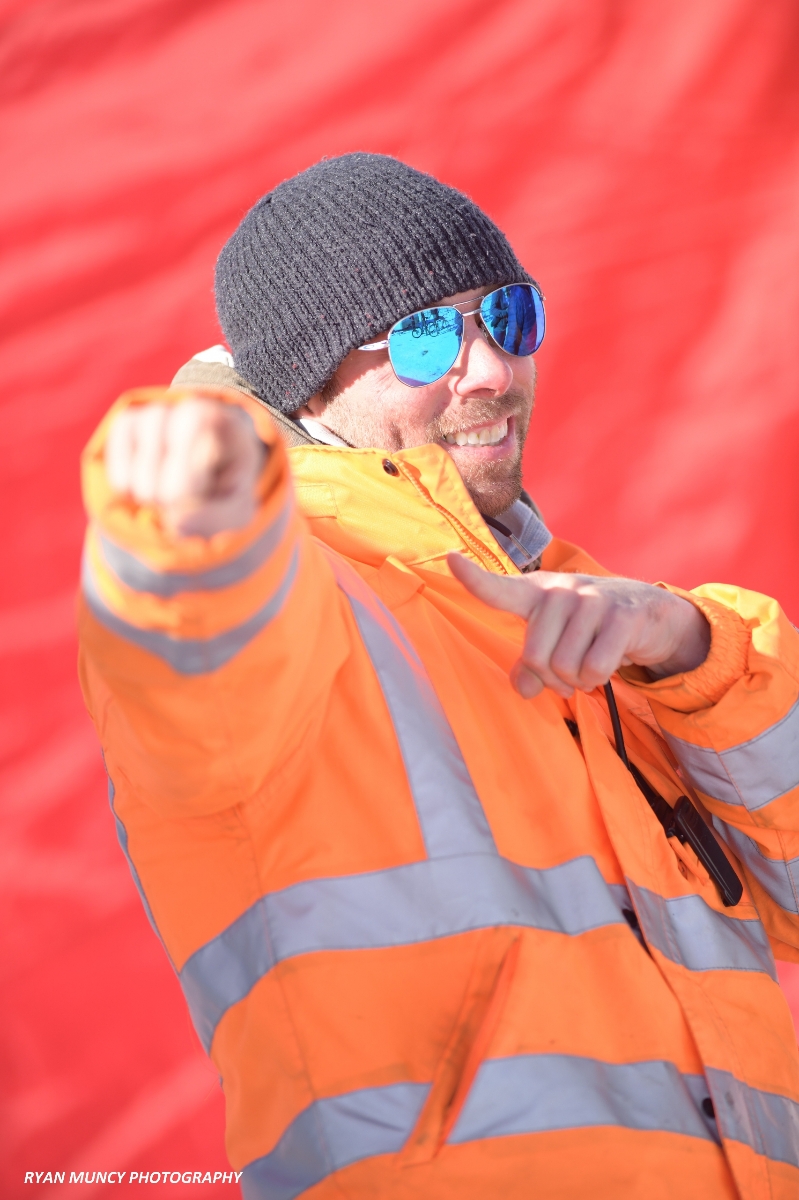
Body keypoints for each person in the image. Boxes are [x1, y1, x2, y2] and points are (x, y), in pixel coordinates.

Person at [78, 153, 799, 1199]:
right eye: (423, 336)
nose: (492, 371)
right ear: (307, 378)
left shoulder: (593, 612)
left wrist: (695, 649)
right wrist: (196, 490)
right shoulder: (298, 588)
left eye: (505, 316)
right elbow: (194, 629)